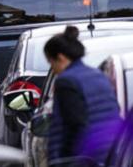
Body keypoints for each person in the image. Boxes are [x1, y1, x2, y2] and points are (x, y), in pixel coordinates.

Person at [44, 26, 122, 165]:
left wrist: (64, 158)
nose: (54, 70)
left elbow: (76, 124)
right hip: (109, 153)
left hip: (83, 158)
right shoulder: (99, 75)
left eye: (52, 63)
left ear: (61, 58)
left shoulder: (66, 81)